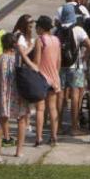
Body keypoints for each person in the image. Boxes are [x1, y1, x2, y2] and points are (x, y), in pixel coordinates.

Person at [56, 4, 90, 136]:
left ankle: (57, 126)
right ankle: (74, 127)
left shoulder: (56, 30)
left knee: (60, 96)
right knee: (75, 96)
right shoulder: (78, 30)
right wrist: (84, 57)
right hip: (76, 67)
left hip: (61, 67)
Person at [0, 32, 30, 156]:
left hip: (3, 91)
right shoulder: (19, 58)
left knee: (1, 119)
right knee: (21, 119)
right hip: (19, 92)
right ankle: (19, 151)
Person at [32, 16, 61, 146]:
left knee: (40, 109)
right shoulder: (56, 40)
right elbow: (59, 61)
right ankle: (54, 136)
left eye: (37, 26)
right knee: (53, 108)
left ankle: (39, 138)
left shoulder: (40, 40)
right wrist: (55, 73)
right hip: (54, 77)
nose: (35, 28)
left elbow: (37, 62)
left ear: (41, 28)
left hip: (42, 77)